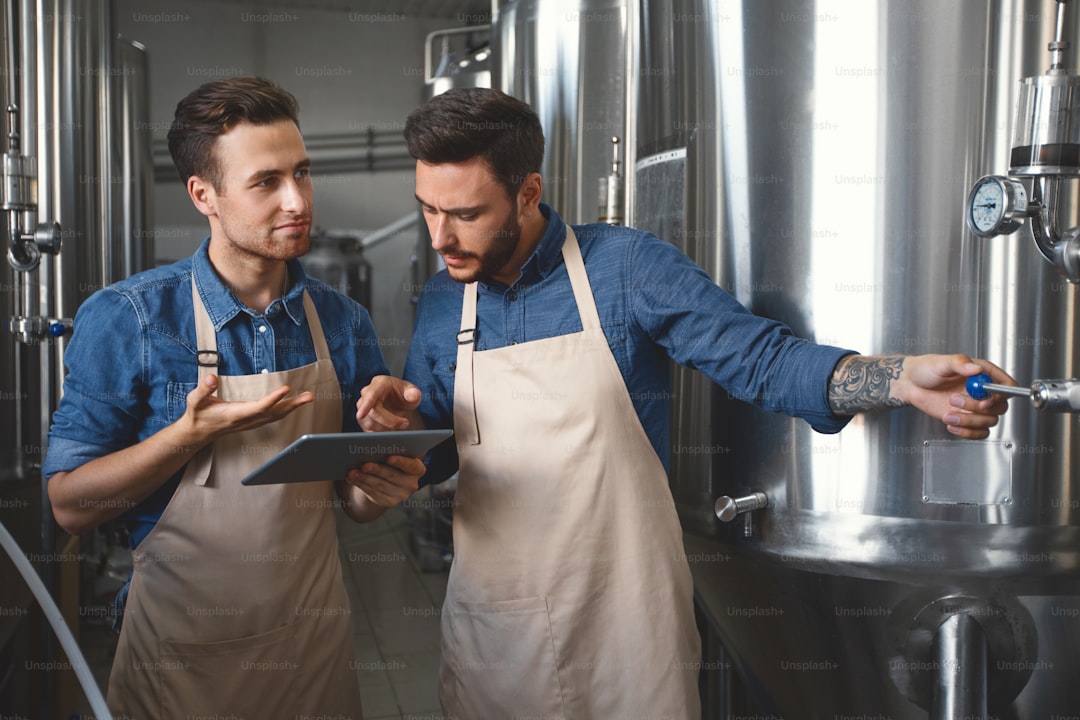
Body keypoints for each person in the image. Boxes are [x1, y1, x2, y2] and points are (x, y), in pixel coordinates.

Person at [354, 87, 1016, 719]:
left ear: (529, 193)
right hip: (493, 631)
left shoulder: (626, 269)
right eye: (428, 209)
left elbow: (762, 360)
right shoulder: (445, 298)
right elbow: (438, 446)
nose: (440, 238)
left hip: (623, 630)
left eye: (466, 214)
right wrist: (397, 426)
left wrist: (897, 377)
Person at [43, 76, 422, 719]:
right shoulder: (128, 318)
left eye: (302, 173)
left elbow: (353, 502)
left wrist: (385, 471)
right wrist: (185, 437)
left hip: (314, 653)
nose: (297, 200)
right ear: (204, 195)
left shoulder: (342, 321)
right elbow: (70, 507)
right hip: (183, 663)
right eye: (266, 182)